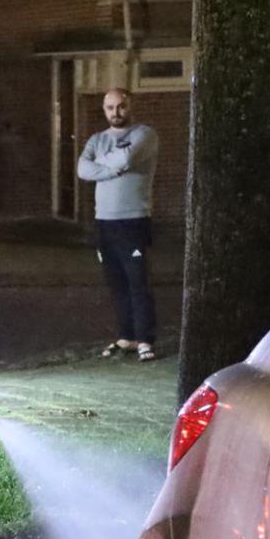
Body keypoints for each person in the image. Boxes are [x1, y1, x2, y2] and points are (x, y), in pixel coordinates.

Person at [77, 88, 160, 362]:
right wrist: (114, 167)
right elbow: (82, 170)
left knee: (138, 281)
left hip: (133, 219)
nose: (116, 113)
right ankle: (125, 337)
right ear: (104, 109)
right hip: (104, 221)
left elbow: (125, 159)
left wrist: (103, 166)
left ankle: (145, 339)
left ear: (130, 106)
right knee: (116, 283)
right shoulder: (97, 139)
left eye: (121, 106)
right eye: (110, 107)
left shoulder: (143, 135)